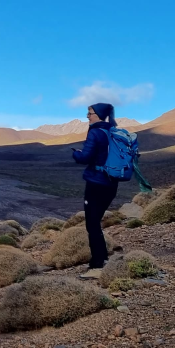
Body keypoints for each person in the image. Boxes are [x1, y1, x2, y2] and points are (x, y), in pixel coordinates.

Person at [70, 101, 120, 278]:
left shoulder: (95, 133)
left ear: (98, 114)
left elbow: (85, 157)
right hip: (111, 184)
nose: (87, 116)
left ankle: (98, 265)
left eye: (90, 113)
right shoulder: (113, 132)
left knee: (92, 223)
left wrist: (75, 153)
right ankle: (102, 258)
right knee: (96, 222)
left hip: (96, 184)